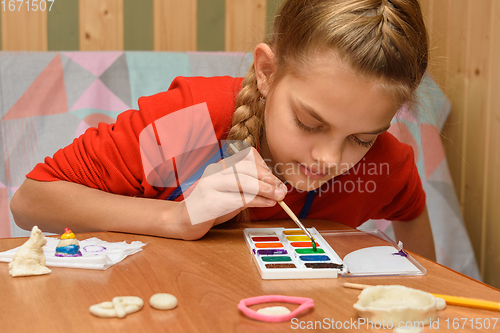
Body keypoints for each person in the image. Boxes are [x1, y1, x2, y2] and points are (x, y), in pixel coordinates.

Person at [10, 0, 436, 260]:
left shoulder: (384, 162)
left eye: (361, 138)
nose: (328, 159)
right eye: (309, 122)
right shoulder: (191, 123)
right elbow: (30, 202)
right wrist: (174, 217)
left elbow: (414, 224)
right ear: (267, 72)